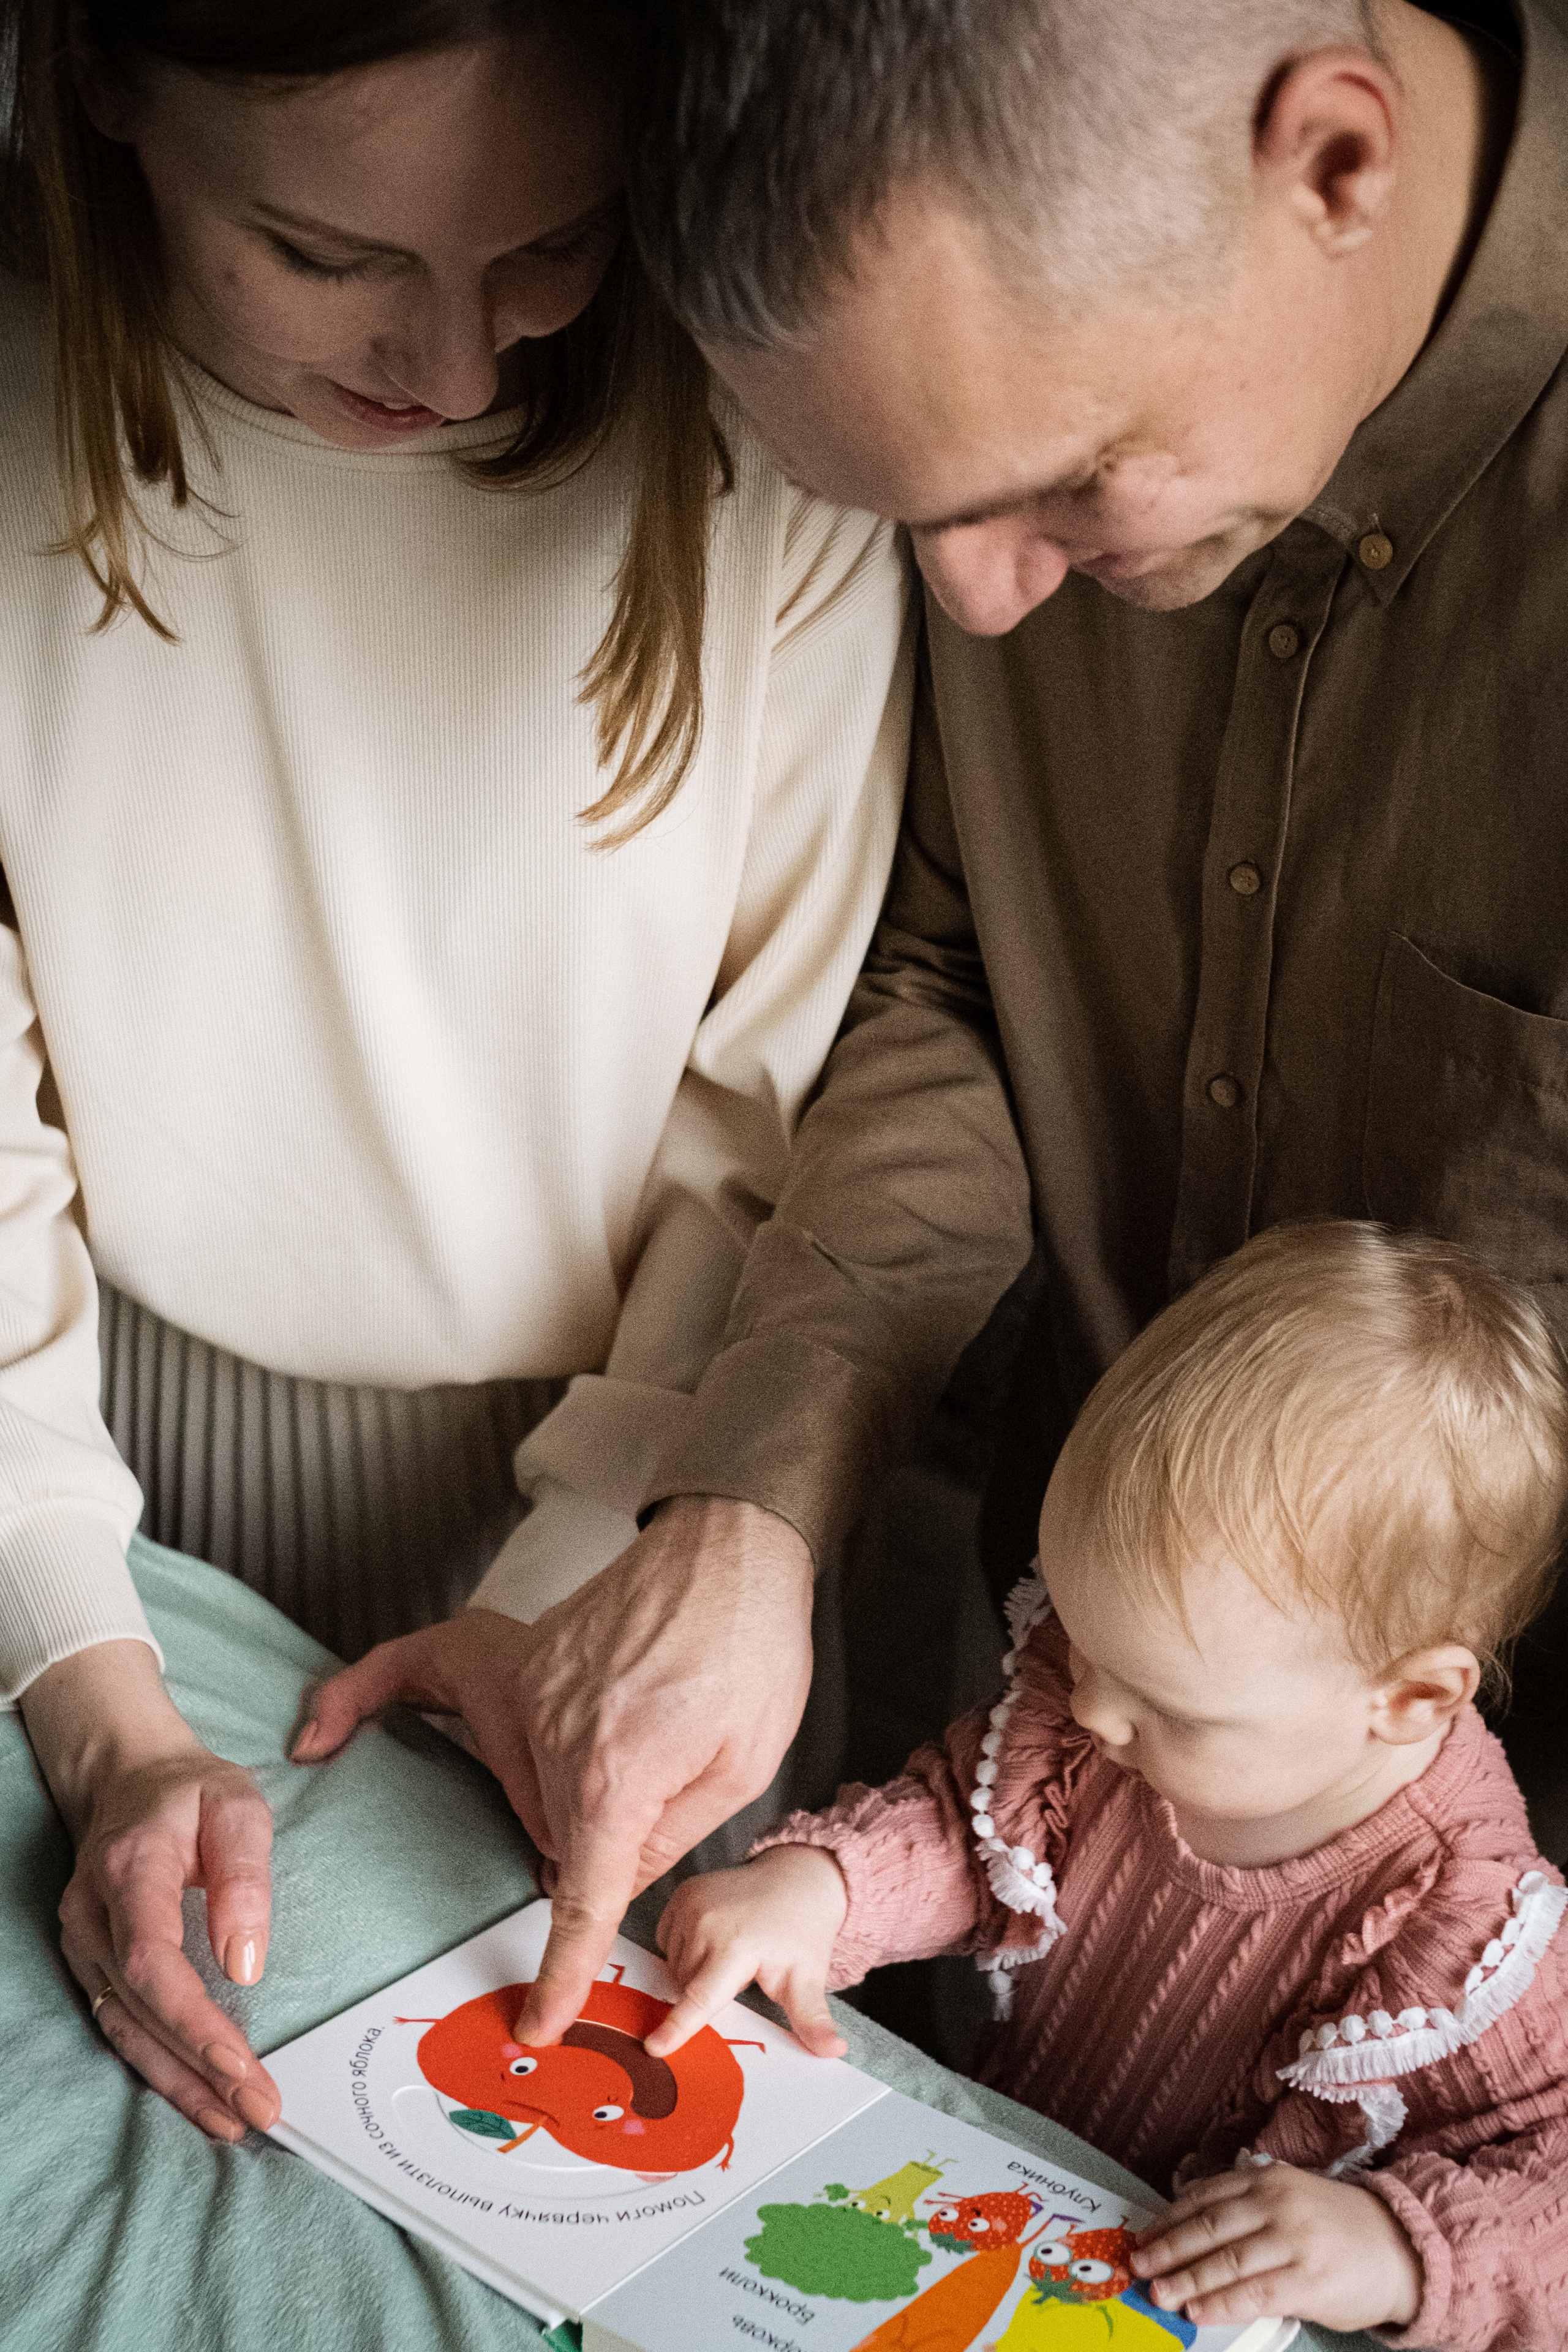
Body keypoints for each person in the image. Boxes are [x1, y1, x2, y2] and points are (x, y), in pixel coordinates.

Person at [4, 0, 912, 2144]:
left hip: (650, 1512)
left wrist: (562, 1610)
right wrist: (92, 1685)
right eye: (326, 255)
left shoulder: (768, 434)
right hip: (90, 1451)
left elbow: (761, 1146)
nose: (463, 364)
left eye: (552, 248)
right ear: (106, 78)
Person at [595, 0, 1568, 1915]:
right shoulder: (1006, 425)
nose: (975, 600)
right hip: (1049, 1771)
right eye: (909, 520)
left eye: (1068, 481)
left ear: (1338, 166)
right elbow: (953, 977)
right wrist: (753, 1501)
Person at [650, 1223, 1568, 2348]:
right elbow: (967, 1823)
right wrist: (825, 1887)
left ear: (1412, 1699)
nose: (1090, 1711)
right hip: (1001, 2206)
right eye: (1082, 1645)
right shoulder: (1109, 1712)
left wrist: (1390, 2249)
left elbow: (1554, 2196)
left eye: (1164, 1703)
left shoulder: (1472, 1943)